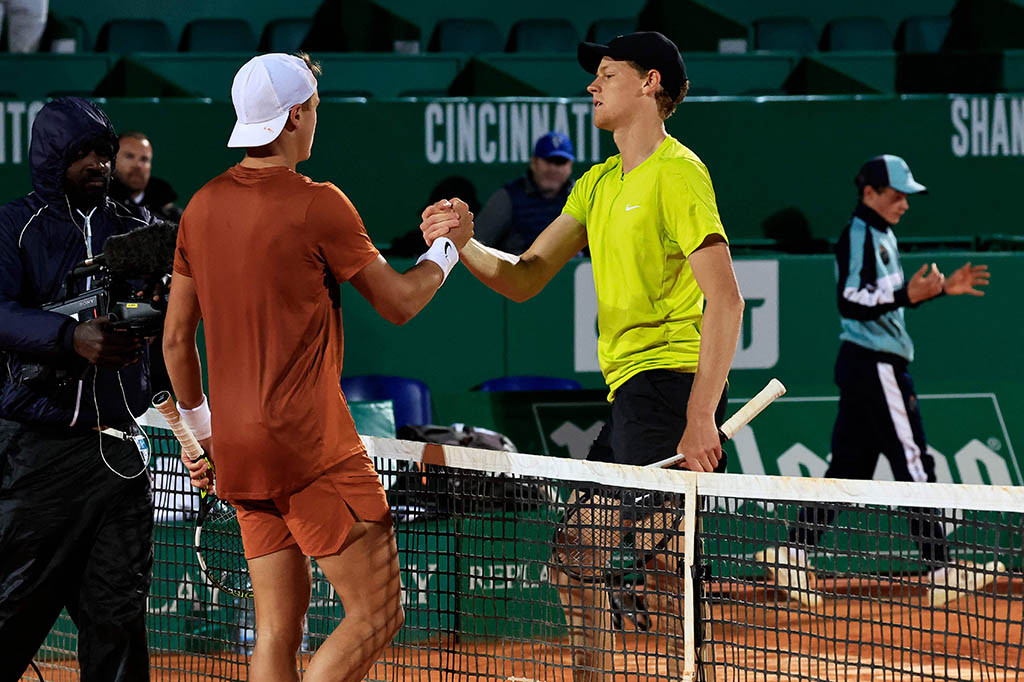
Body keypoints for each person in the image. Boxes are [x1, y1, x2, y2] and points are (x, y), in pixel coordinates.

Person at [421, 31, 745, 681]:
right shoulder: (596, 185)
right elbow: (525, 275)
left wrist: (701, 414)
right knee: (603, 559)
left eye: (606, 73)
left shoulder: (679, 173)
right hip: (630, 395)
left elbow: (727, 300)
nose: (591, 86)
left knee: (636, 561)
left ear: (650, 83)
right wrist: (464, 243)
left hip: (667, 386)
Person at [162, 53, 473, 682]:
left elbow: (174, 342)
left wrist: (204, 436)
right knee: (379, 611)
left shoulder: (199, 207)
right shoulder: (319, 203)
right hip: (310, 447)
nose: (315, 123)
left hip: (238, 451)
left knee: (278, 630)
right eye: (314, 112)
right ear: (294, 116)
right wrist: (449, 247)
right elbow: (400, 302)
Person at [757, 154, 1000, 609]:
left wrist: (939, 290)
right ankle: (942, 568)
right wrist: (910, 292)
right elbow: (851, 300)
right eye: (896, 195)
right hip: (875, 365)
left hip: (868, 363)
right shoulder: (858, 233)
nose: (904, 204)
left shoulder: (881, 233)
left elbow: (879, 302)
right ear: (869, 192)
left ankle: (792, 552)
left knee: (849, 469)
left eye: (907, 196)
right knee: (912, 461)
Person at [0, 97, 154, 681]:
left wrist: (147, 313)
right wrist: (69, 336)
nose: (97, 164)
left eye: (103, 153)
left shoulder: (136, 227)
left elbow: (159, 311)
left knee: (116, 617)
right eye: (82, 154)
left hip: (118, 453)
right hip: (36, 456)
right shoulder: (13, 225)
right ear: (50, 157)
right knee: (12, 612)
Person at [475, 131, 575, 255]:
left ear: (570, 166)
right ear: (534, 162)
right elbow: (476, 247)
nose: (553, 169)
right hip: (521, 269)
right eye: (548, 161)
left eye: (560, 162)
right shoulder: (507, 198)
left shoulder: (580, 196)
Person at [110, 132, 183, 222]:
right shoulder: (95, 210)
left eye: (144, 159)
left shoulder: (173, 217)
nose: (138, 165)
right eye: (129, 156)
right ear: (112, 160)